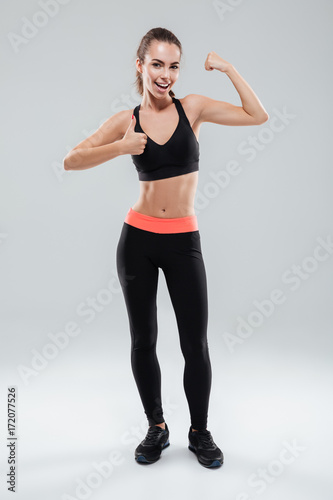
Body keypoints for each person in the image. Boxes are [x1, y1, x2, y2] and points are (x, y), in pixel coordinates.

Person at [63, 27, 269, 468]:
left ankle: (199, 431)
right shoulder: (126, 120)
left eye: (173, 65)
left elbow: (258, 116)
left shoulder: (191, 108)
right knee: (144, 340)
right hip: (136, 241)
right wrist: (120, 147)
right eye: (157, 64)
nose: (166, 74)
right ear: (141, 66)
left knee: (195, 343)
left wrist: (229, 68)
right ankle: (156, 427)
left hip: (183, 242)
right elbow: (71, 159)